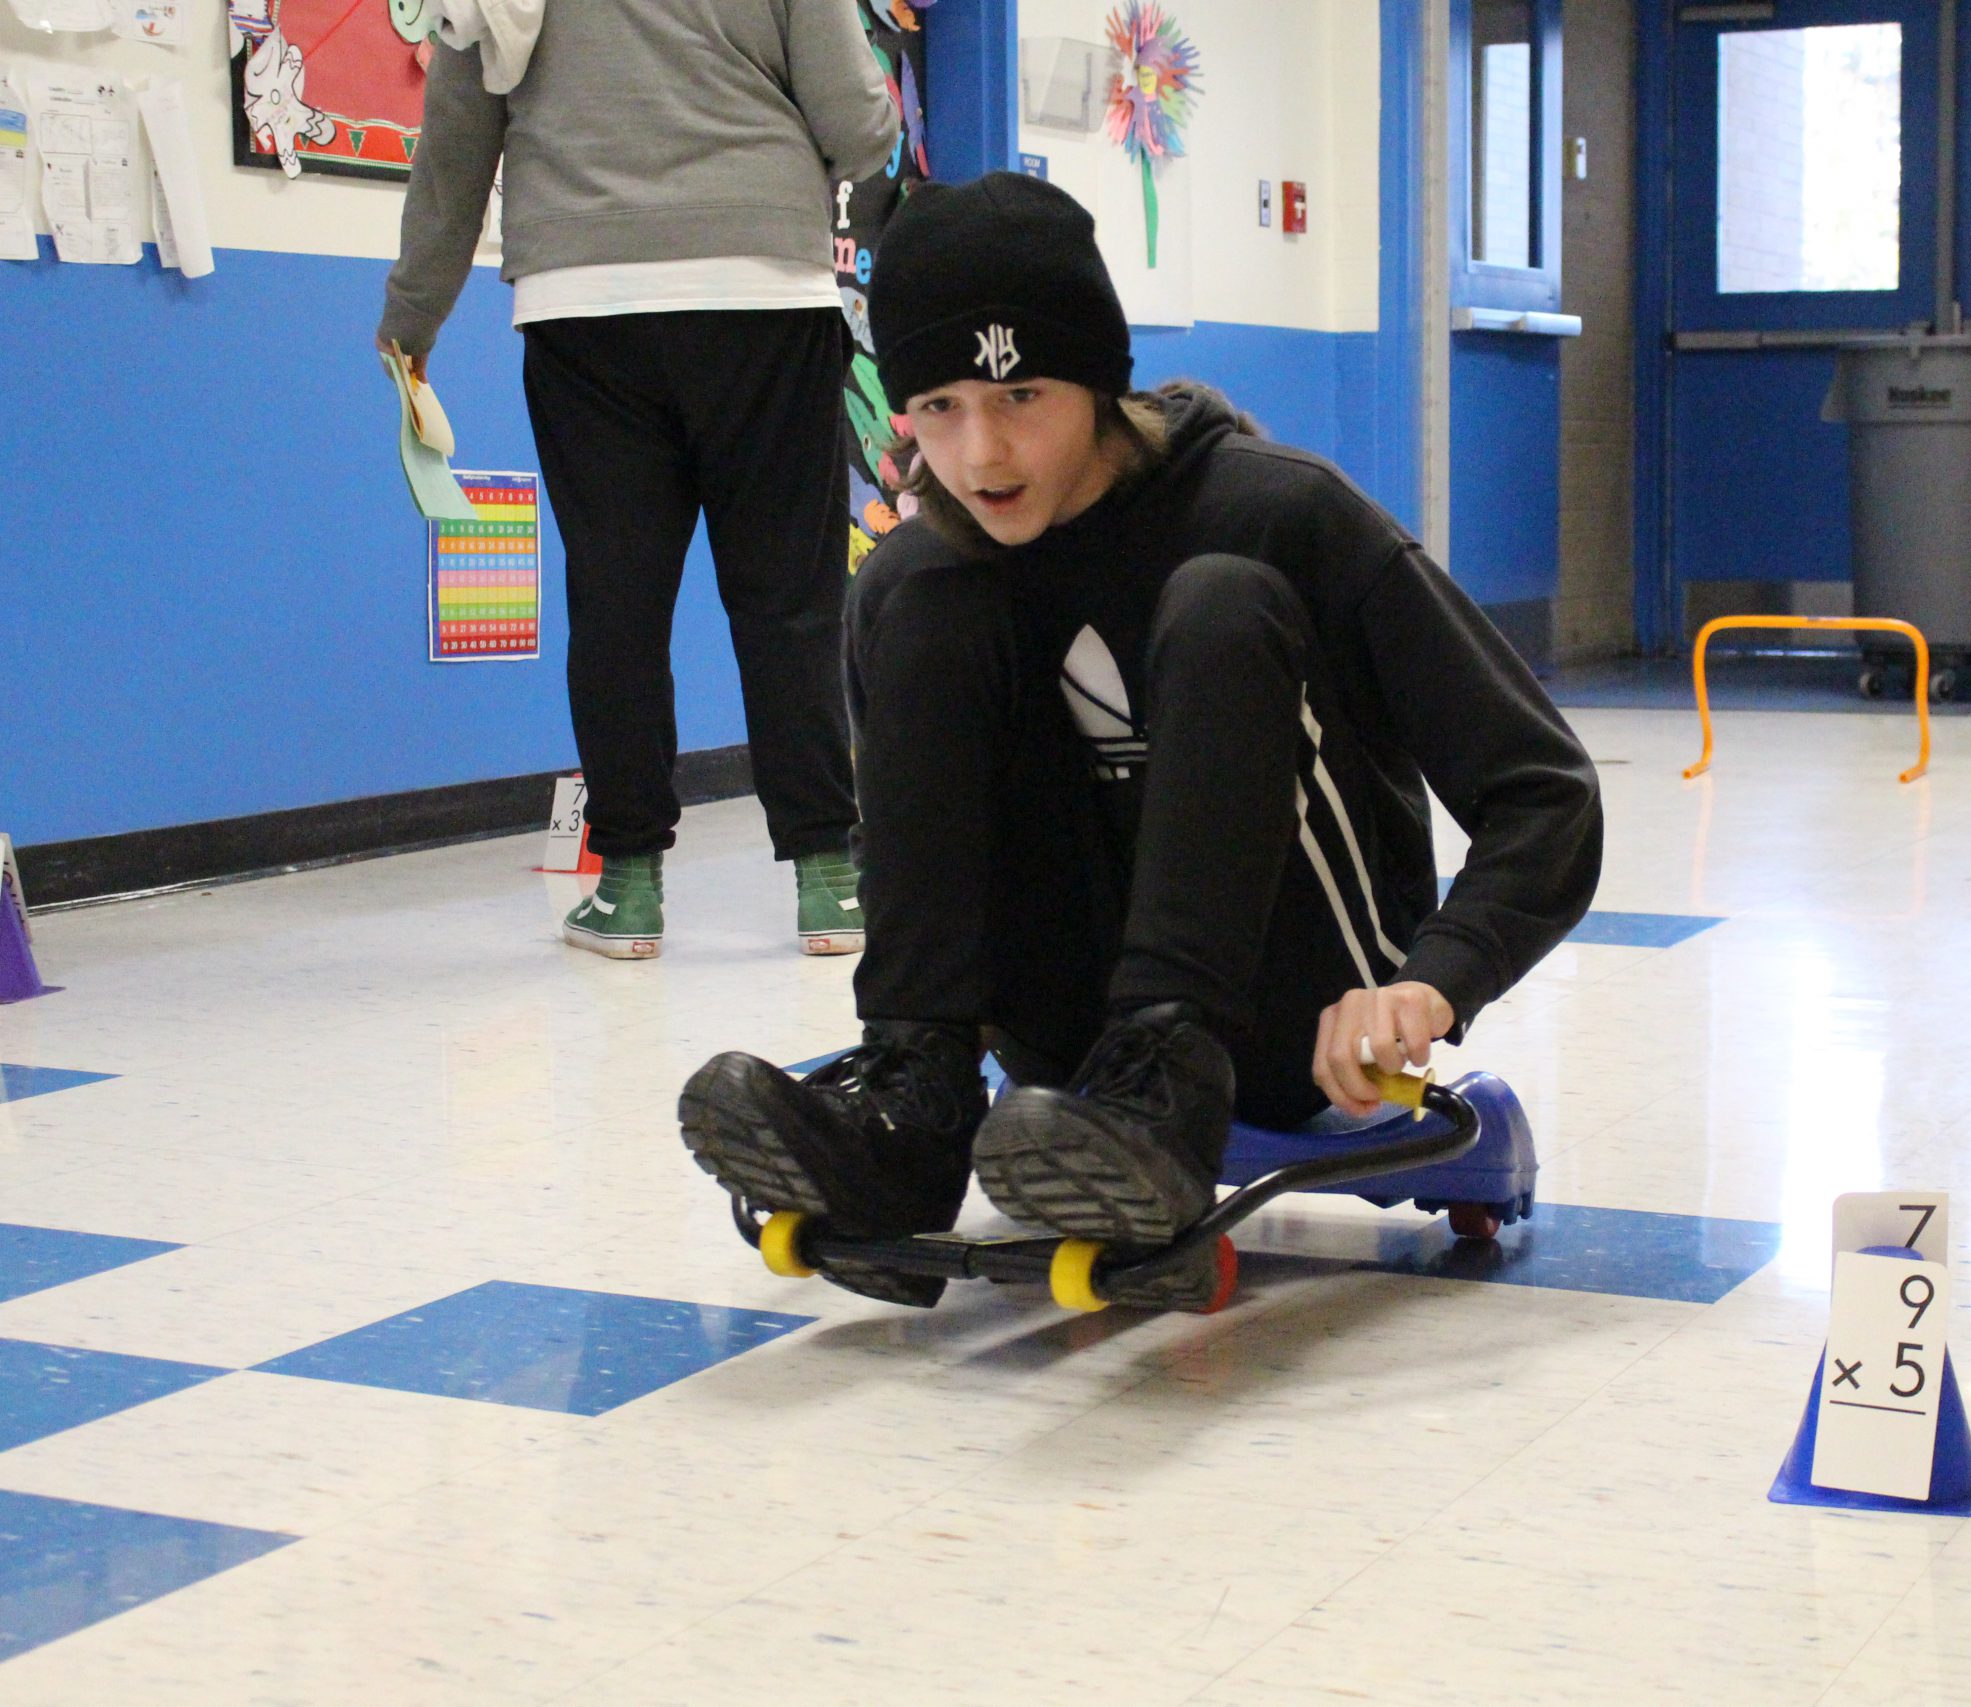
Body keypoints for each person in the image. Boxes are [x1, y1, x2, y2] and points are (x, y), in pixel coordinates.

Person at [677, 173, 1601, 1305]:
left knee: (1221, 600)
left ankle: (1169, 1072)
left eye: (1022, 398)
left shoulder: (1279, 513)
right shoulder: (945, 572)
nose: (981, 454)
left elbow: (1546, 792)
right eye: (940, 409)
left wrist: (1430, 986)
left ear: (1101, 383)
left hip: (1291, 1010)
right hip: (1069, 1042)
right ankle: (912, 1090)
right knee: (915, 579)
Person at [377, 0, 897, 960]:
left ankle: (626, 887)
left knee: (616, 601)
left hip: (583, 305)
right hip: (763, 295)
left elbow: (456, 149)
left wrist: (411, 319)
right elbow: (861, 122)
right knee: (791, 601)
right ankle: (829, 880)